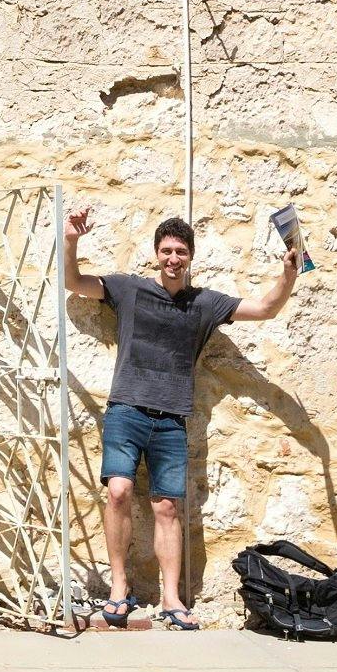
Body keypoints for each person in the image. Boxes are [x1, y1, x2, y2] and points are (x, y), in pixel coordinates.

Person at [61, 208, 300, 630]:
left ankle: (172, 598)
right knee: (117, 491)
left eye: (181, 252)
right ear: (156, 254)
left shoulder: (205, 303)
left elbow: (264, 309)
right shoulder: (129, 290)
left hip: (172, 419)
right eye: (167, 251)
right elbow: (74, 283)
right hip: (125, 410)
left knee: (168, 506)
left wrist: (288, 275)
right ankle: (119, 590)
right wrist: (70, 241)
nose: (173, 258)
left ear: (190, 258)